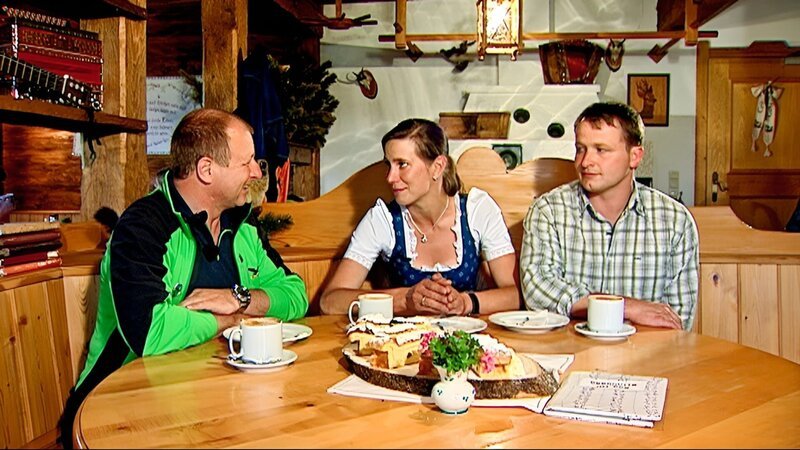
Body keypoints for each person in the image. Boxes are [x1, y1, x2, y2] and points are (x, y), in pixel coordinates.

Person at [59, 108, 309, 448]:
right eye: (247, 162)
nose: (256, 172)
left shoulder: (243, 227)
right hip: (119, 405)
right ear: (206, 170)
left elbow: (296, 295)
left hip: (216, 402)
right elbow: (149, 330)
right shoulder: (142, 228)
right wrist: (231, 319)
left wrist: (241, 298)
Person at [520, 102, 698, 330]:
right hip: (568, 353)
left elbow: (675, 319)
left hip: (644, 356)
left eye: (601, 150)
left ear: (635, 157)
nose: (585, 162)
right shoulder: (548, 211)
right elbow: (538, 291)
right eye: (580, 149)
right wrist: (627, 307)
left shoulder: (675, 221)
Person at [320, 118, 519, 316]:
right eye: (389, 165)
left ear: (438, 167)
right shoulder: (383, 219)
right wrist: (404, 300)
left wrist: (466, 303)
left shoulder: (477, 210)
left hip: (467, 339)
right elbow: (330, 301)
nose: (390, 177)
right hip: (403, 342)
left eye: (402, 164)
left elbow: (514, 295)